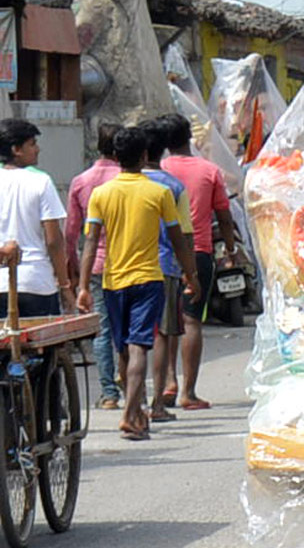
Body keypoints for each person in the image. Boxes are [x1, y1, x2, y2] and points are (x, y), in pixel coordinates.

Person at [77, 127, 198, 441]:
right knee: (139, 346)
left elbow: (90, 242)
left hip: (113, 281)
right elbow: (177, 239)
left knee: (124, 350)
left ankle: (134, 411)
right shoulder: (158, 193)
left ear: (116, 157)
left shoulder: (101, 194)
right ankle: (131, 414)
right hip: (148, 279)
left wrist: (82, 286)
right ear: (144, 156)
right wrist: (191, 275)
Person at [161, 112, 237, 410]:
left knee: (166, 322)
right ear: (188, 138)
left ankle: (169, 380)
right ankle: (188, 392)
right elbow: (224, 214)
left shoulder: (157, 169)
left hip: (163, 254)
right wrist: (230, 247)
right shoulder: (209, 170)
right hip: (198, 252)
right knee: (191, 320)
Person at [140, 117, 196, 422]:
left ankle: (130, 404)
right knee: (161, 335)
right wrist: (191, 273)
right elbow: (183, 234)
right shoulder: (173, 187)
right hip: (164, 266)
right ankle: (157, 403)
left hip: (123, 268)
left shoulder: (113, 187)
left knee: (131, 340)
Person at [66, 122, 123, 408]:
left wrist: (76, 271)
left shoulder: (82, 181)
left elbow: (72, 234)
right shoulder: (128, 180)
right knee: (126, 330)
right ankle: (131, 384)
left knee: (101, 330)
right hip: (130, 264)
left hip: (97, 265)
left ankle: (109, 393)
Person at [0, 118, 73, 318]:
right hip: (36, 282)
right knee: (42, 347)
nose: (38, 149)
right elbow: (54, 241)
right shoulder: (41, 182)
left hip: (1, 284)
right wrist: (64, 284)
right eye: (32, 144)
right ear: (16, 149)